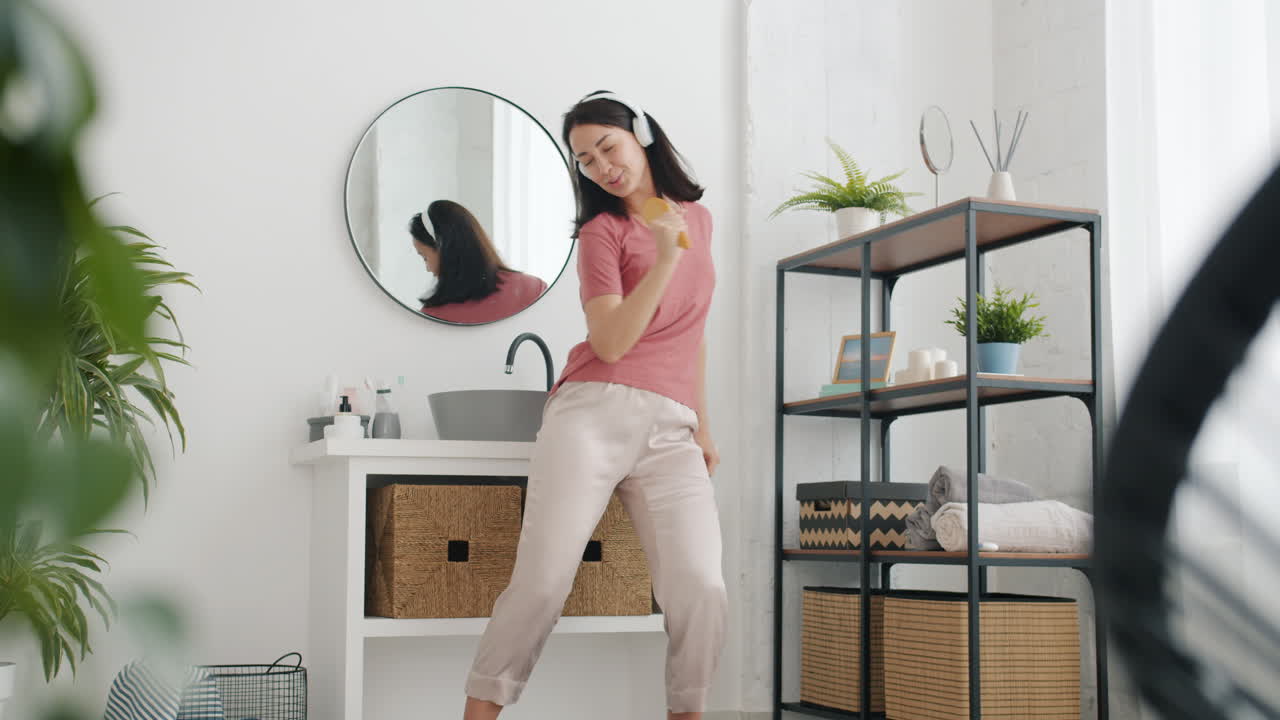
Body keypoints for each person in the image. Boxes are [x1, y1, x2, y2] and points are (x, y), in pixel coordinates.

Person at [462, 91, 727, 720]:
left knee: (702, 588)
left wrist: (705, 429)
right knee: (543, 584)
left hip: (672, 427)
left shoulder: (701, 218)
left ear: (639, 134)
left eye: (607, 146)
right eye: (584, 159)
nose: (601, 165)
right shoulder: (600, 233)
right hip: (592, 414)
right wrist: (664, 257)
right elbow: (610, 341)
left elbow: (695, 333)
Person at [410, 200, 548, 324]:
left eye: (424, 257)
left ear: (444, 249)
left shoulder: (431, 319)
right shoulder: (533, 288)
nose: (428, 269)